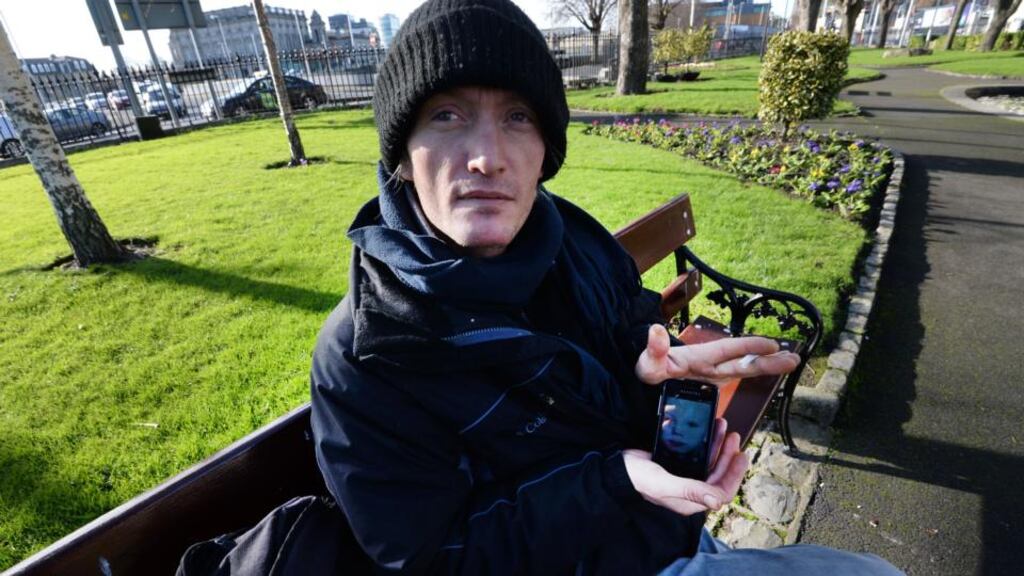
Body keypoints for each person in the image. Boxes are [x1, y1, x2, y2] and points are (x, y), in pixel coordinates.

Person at [310, 1, 903, 574]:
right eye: (447, 115)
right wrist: (613, 482)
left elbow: (624, 360)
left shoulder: (575, 245)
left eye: (518, 117)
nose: (488, 157)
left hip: (655, 530)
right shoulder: (370, 350)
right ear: (402, 156)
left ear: (545, 152)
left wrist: (651, 380)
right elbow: (431, 560)